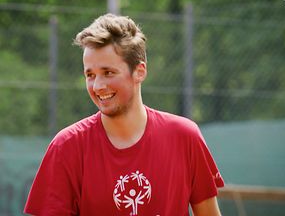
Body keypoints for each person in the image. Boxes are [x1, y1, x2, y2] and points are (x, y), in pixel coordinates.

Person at [24, 13, 224, 216]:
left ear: (139, 72)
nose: (98, 86)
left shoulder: (185, 137)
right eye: (90, 75)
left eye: (108, 73)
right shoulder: (66, 146)